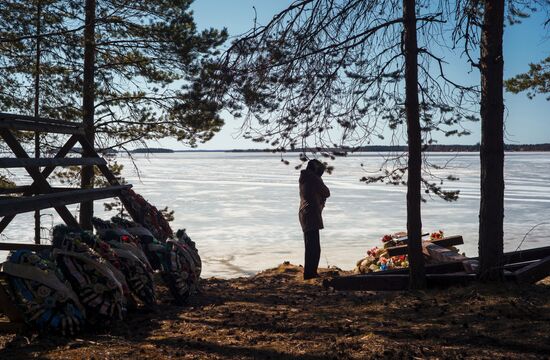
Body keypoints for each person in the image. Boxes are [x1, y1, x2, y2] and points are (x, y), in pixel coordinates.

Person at [298, 159, 330, 280]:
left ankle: (309, 272)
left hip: (305, 213)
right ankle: (310, 273)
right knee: (313, 246)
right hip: (310, 213)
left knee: (310, 245)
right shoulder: (312, 178)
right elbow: (326, 192)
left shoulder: (305, 177)